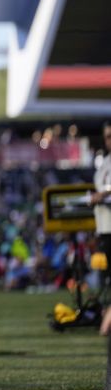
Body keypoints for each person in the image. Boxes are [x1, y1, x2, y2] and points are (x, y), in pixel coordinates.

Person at [91, 121, 111, 296]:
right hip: (104, 226)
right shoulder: (105, 162)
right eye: (107, 137)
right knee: (106, 277)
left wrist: (103, 194)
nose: (109, 141)